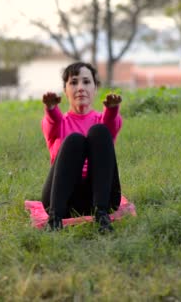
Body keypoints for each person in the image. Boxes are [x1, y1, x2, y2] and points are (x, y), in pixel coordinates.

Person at [41, 61, 123, 233]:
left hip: (100, 195)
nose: (80, 87)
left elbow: (110, 124)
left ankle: (101, 215)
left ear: (95, 88)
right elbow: (52, 121)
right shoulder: (59, 123)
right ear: (65, 90)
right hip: (62, 198)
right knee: (75, 140)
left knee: (99, 131)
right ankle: (55, 220)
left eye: (86, 82)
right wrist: (50, 108)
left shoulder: (102, 121)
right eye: (73, 82)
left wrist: (112, 110)